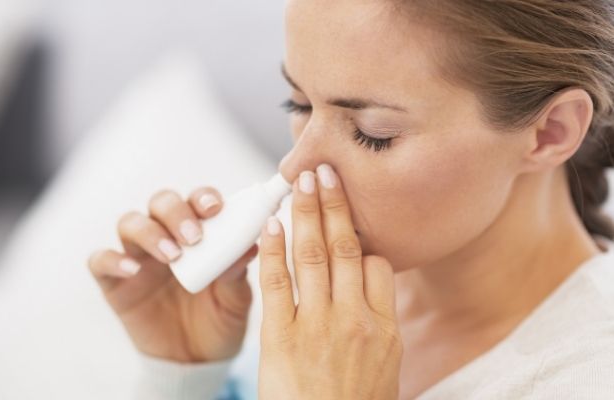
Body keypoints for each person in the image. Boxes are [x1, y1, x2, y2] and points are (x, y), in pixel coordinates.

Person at [87, 1, 614, 398]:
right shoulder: (326, 310)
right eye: (297, 102)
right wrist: (186, 376)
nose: (294, 167)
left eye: (372, 132)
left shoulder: (586, 377)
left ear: (550, 132)